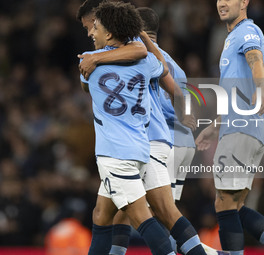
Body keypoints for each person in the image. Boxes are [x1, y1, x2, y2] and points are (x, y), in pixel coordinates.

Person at [195, 0, 264, 255]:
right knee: (236, 205)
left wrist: (262, 89)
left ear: (244, 2)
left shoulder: (246, 32)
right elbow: (236, 94)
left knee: (223, 203)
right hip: (246, 129)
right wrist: (214, 127)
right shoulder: (231, 37)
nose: (221, 3)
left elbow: (256, 62)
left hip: (241, 130)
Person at [79, 2, 175, 254]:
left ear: (109, 33)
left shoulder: (89, 64)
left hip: (115, 155)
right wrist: (141, 38)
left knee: (142, 219)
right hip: (139, 149)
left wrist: (97, 58)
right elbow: (161, 66)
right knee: (101, 214)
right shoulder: (145, 64)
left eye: (96, 27)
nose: (91, 33)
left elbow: (85, 85)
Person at [136, 7, 196, 202]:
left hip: (164, 142)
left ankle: (189, 235)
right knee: (169, 212)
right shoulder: (175, 64)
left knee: (152, 211)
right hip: (185, 143)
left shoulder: (139, 57)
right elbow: (186, 110)